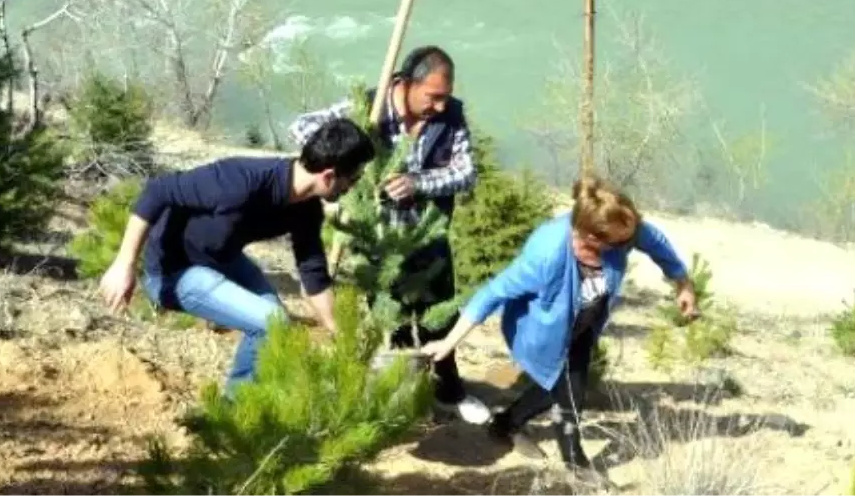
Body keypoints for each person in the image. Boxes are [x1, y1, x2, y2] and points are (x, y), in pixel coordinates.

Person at [420, 176, 699, 475]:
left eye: (628, 239)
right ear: (590, 237)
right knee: (571, 395)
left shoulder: (620, 228)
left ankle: (505, 423)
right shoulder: (548, 252)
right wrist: (449, 342)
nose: (627, 245)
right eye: (620, 242)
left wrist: (683, 283)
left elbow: (655, 242)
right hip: (541, 331)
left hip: (582, 327)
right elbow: (492, 293)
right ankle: (576, 464)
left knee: (553, 386)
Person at [287, 45, 491, 425]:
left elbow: (466, 172)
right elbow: (300, 127)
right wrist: (349, 163)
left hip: (429, 237)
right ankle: (405, 392)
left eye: (445, 97)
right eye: (434, 97)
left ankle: (450, 391)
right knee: (392, 320)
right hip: (379, 240)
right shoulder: (371, 106)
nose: (441, 106)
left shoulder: (451, 118)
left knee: (441, 317)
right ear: (406, 84)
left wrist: (419, 182)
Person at [97, 117, 376, 394]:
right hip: (173, 271)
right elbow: (157, 191)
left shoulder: (306, 210)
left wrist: (341, 334)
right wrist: (125, 263)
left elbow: (313, 276)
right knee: (272, 322)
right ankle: (236, 412)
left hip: (221, 260)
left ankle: (256, 397)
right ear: (329, 176)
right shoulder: (239, 181)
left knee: (276, 326)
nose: (352, 186)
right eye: (354, 178)